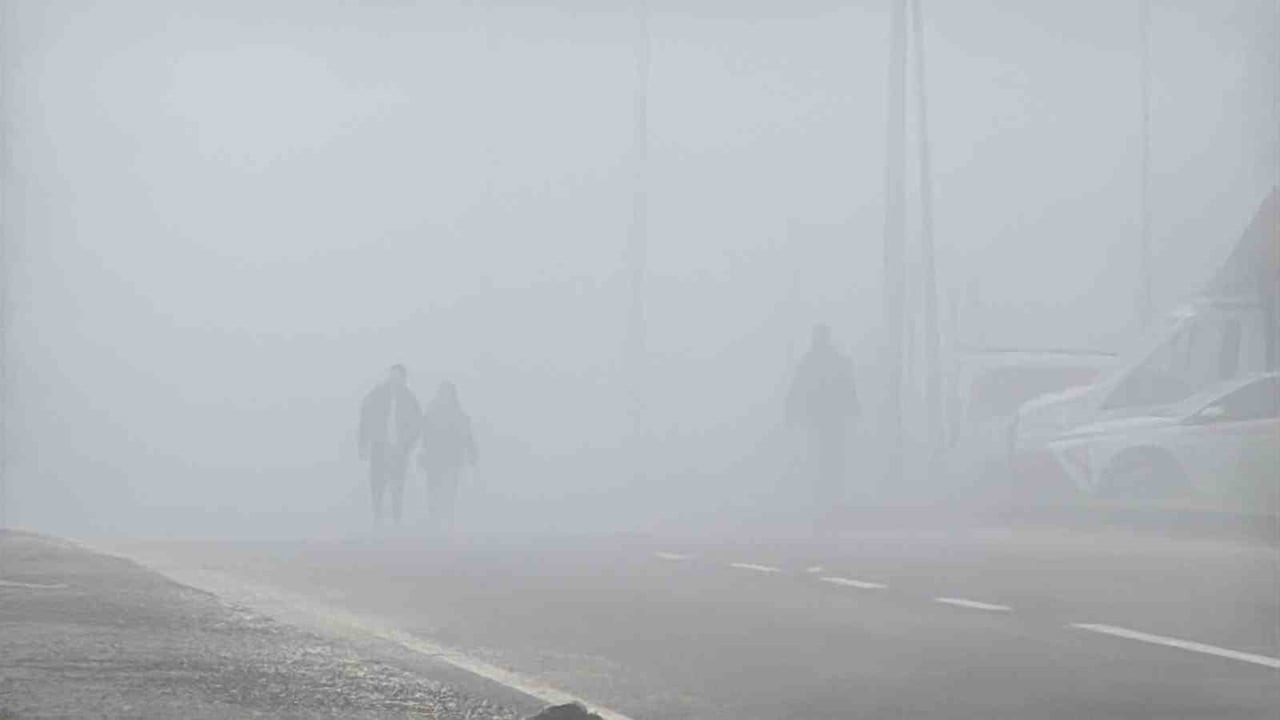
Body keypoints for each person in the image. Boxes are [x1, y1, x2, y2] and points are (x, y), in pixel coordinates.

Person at [786, 324, 861, 513]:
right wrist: (853, 408)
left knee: (824, 456)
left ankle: (826, 498)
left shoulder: (812, 361)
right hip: (829, 419)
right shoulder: (835, 361)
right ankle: (830, 497)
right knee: (831, 456)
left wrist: (793, 412)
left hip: (822, 419)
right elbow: (848, 387)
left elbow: (798, 389)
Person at [358, 364, 423, 524]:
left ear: (404, 379)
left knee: (398, 484)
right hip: (379, 445)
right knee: (377, 483)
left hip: (399, 449)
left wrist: (407, 445)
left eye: (399, 377)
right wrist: (363, 443)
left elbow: (417, 424)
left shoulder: (409, 399)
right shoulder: (377, 395)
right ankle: (377, 516)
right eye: (393, 376)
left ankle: (396, 518)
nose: (395, 380)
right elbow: (365, 418)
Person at [418, 380, 478, 532]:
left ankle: (447, 519)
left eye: (448, 393)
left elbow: (467, 435)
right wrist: (423, 453)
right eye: (444, 393)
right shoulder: (431, 413)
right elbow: (424, 435)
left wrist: (472, 452)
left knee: (450, 490)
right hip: (434, 457)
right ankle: (434, 519)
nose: (446, 397)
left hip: (452, 458)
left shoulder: (458, 414)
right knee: (433, 489)